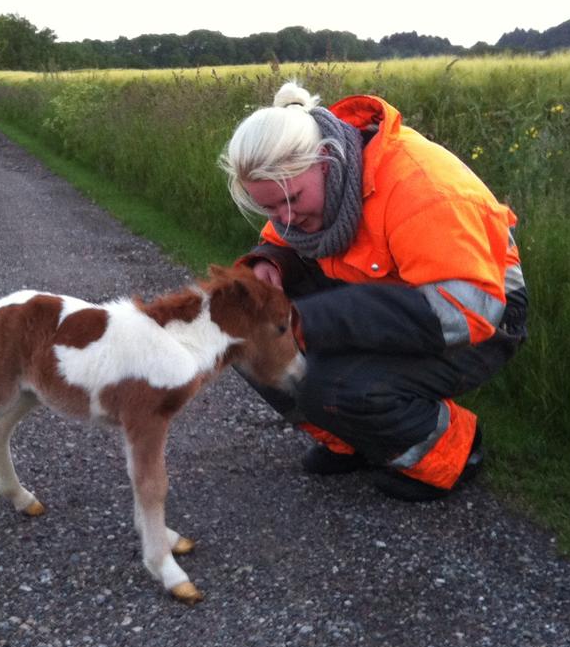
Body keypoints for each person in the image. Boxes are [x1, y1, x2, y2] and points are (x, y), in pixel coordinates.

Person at [219, 82, 528, 502]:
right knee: (247, 334)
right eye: (268, 207)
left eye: (289, 200)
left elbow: (465, 311)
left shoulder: (422, 187)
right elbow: (285, 238)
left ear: (326, 162)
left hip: (479, 315)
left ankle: (453, 452)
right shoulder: (313, 183)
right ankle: (352, 442)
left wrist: (314, 321)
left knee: (335, 385)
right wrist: (267, 264)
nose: (283, 217)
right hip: (386, 296)